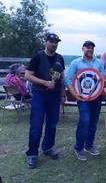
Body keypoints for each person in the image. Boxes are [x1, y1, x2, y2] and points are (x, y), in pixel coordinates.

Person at [25, 33, 65, 169]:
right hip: (39, 95)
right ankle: (32, 154)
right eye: (51, 41)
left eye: (56, 42)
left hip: (54, 97)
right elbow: (27, 75)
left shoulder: (59, 58)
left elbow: (62, 77)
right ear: (46, 42)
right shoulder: (37, 57)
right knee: (36, 126)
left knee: (52, 125)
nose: (54, 44)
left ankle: (47, 148)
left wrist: (63, 94)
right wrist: (45, 83)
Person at [65, 41, 104, 161]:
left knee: (93, 122)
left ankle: (89, 145)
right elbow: (68, 79)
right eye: (88, 47)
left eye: (92, 48)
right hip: (82, 98)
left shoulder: (99, 63)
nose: (90, 49)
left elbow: (101, 80)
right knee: (84, 121)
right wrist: (74, 94)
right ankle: (79, 147)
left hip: (96, 97)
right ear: (83, 48)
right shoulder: (76, 63)